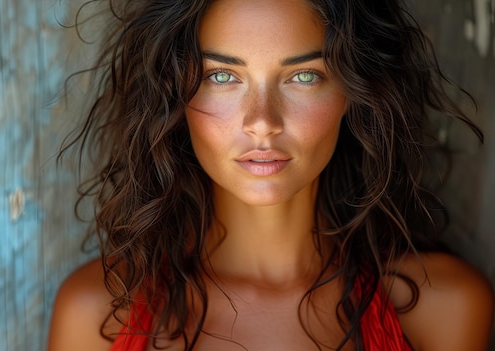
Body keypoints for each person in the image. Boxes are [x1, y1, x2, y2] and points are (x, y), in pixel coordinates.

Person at [48, 0, 494, 350]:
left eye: (303, 76)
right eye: (222, 76)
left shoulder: (442, 308)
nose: (262, 122)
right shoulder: (99, 316)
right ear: (173, 96)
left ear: (354, 92)